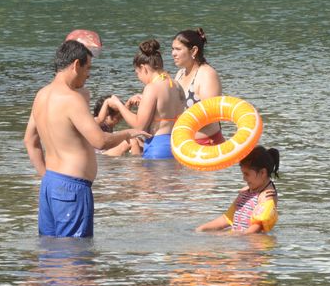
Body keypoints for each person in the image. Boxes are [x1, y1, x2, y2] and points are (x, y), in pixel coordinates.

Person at [23, 40, 147, 237]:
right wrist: (129, 133)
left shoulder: (41, 95)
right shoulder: (72, 99)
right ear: (75, 65)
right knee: (75, 252)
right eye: (88, 68)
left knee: (50, 250)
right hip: (72, 188)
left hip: (50, 184)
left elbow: (30, 141)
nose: (89, 74)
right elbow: (100, 141)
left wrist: (46, 177)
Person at [107, 39, 185, 159]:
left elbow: (139, 127)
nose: (139, 78)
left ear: (143, 68)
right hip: (178, 145)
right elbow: (165, 108)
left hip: (158, 147)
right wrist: (145, 100)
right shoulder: (176, 84)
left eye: (137, 73)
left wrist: (119, 105)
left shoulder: (151, 87)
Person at [196, 146, 280, 234]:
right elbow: (227, 219)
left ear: (263, 173)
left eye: (247, 174)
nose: (244, 178)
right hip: (239, 238)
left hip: (252, 241)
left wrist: (234, 237)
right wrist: (202, 228)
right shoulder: (246, 192)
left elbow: (257, 227)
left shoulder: (267, 196)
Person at [171, 28, 224, 145]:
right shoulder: (180, 74)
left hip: (206, 144)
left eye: (178, 49)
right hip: (184, 143)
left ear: (194, 50)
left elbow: (210, 116)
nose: (173, 53)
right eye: (173, 49)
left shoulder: (207, 74)